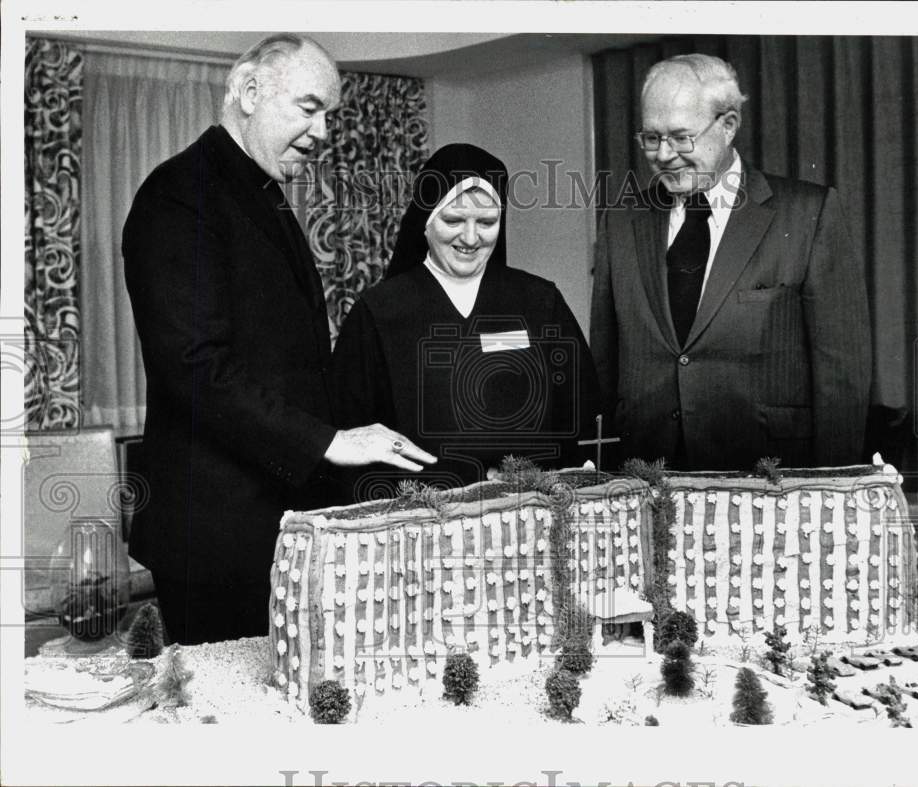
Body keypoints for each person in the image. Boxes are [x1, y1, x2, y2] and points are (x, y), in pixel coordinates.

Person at [122, 34, 434, 645]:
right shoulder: (179, 195)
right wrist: (329, 442)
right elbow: (195, 369)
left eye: (330, 116)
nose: (322, 132)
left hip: (269, 523)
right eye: (308, 107)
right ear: (247, 90)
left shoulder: (258, 191)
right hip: (214, 539)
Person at [590, 53, 871, 471]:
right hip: (647, 482)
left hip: (771, 482)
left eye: (681, 137)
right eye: (651, 138)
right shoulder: (620, 221)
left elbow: (841, 378)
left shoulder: (809, 214)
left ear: (728, 126)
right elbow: (605, 367)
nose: (664, 155)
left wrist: (832, 486)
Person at [330, 143, 602, 501]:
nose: (471, 238)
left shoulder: (539, 301)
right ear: (425, 220)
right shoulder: (378, 312)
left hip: (530, 511)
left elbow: (581, 414)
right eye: (454, 220)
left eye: (487, 222)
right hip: (418, 519)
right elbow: (350, 437)